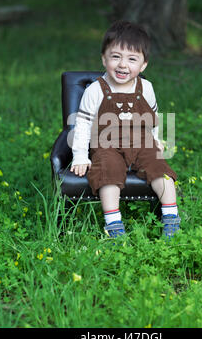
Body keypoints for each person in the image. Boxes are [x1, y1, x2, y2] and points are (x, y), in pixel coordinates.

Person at [70, 20, 181, 239]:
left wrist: (155, 139)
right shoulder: (95, 90)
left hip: (142, 142)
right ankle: (113, 223)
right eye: (116, 56)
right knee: (108, 173)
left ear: (143, 65)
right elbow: (81, 125)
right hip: (106, 144)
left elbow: (153, 117)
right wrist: (80, 156)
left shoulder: (146, 87)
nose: (123, 65)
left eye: (132, 59)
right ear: (104, 58)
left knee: (161, 171)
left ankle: (171, 218)